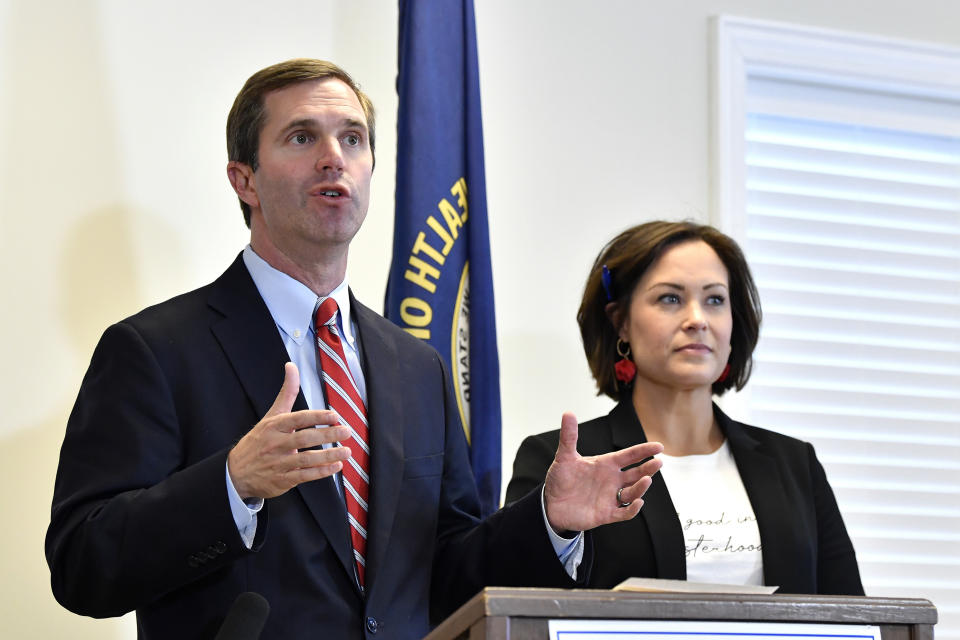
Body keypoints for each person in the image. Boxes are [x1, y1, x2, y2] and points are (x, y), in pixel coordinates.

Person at [44, 59, 664, 640]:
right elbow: (82, 565)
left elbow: (445, 570)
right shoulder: (155, 350)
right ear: (245, 179)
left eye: (352, 138)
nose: (332, 159)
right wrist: (232, 485)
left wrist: (547, 522)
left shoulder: (415, 366)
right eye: (300, 138)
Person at [506, 220, 863, 595]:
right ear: (621, 322)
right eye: (670, 298)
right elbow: (513, 611)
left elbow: (855, 615)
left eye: (715, 300)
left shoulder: (795, 464)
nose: (697, 319)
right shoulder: (561, 462)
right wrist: (555, 528)